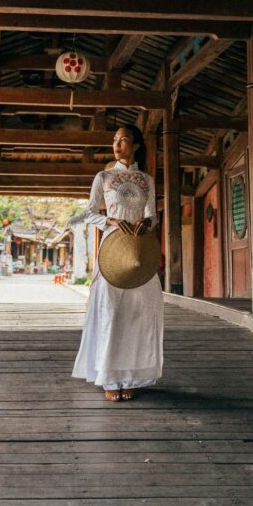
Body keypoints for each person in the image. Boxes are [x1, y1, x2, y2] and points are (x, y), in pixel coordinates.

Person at [72, 124, 164, 402]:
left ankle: (131, 374)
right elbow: (89, 213)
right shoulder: (104, 176)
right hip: (113, 247)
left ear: (136, 145)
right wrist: (110, 220)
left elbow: (153, 215)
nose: (117, 144)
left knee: (139, 312)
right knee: (110, 310)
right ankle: (110, 376)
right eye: (115, 140)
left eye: (123, 140)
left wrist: (147, 222)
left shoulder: (146, 179)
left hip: (139, 249)